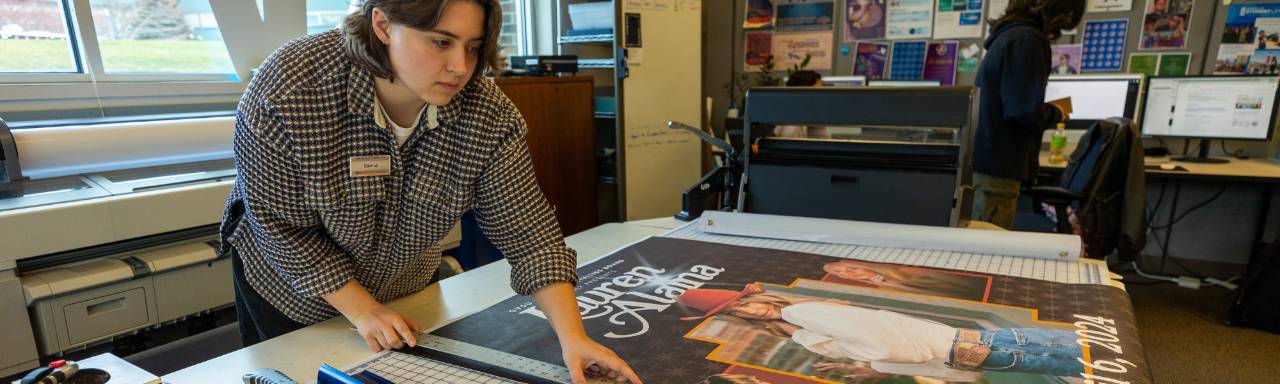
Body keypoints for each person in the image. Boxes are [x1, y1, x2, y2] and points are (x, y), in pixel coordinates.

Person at [218, 1, 640, 383]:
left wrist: (573, 339)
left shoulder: (487, 115)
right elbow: (277, 226)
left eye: (473, 47)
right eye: (441, 42)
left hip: (405, 290)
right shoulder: (290, 89)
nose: (460, 67)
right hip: (293, 295)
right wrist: (363, 310)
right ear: (382, 24)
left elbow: (531, 238)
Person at [678, 284, 1084, 382]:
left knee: (1080, 355)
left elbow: (885, 344)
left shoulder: (803, 311)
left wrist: (874, 366)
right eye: (742, 312)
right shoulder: (797, 332)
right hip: (953, 354)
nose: (752, 310)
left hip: (962, 346)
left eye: (746, 302)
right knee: (1075, 360)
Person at [972, 0, 1084, 229]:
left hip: (987, 164)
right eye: (1061, 25)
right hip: (998, 171)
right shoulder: (1028, 40)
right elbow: (1022, 110)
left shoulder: (1007, 37)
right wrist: (1057, 112)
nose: (1056, 33)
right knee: (989, 250)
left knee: (982, 244)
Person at [821, 260, 990, 301]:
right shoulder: (882, 290)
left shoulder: (907, 271)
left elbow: (972, 285)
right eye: (843, 274)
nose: (850, 274)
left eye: (852, 268)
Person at [772, 71, 832, 139]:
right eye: (818, 91)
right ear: (803, 93)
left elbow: (822, 144)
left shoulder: (805, 114)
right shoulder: (792, 124)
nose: (822, 95)